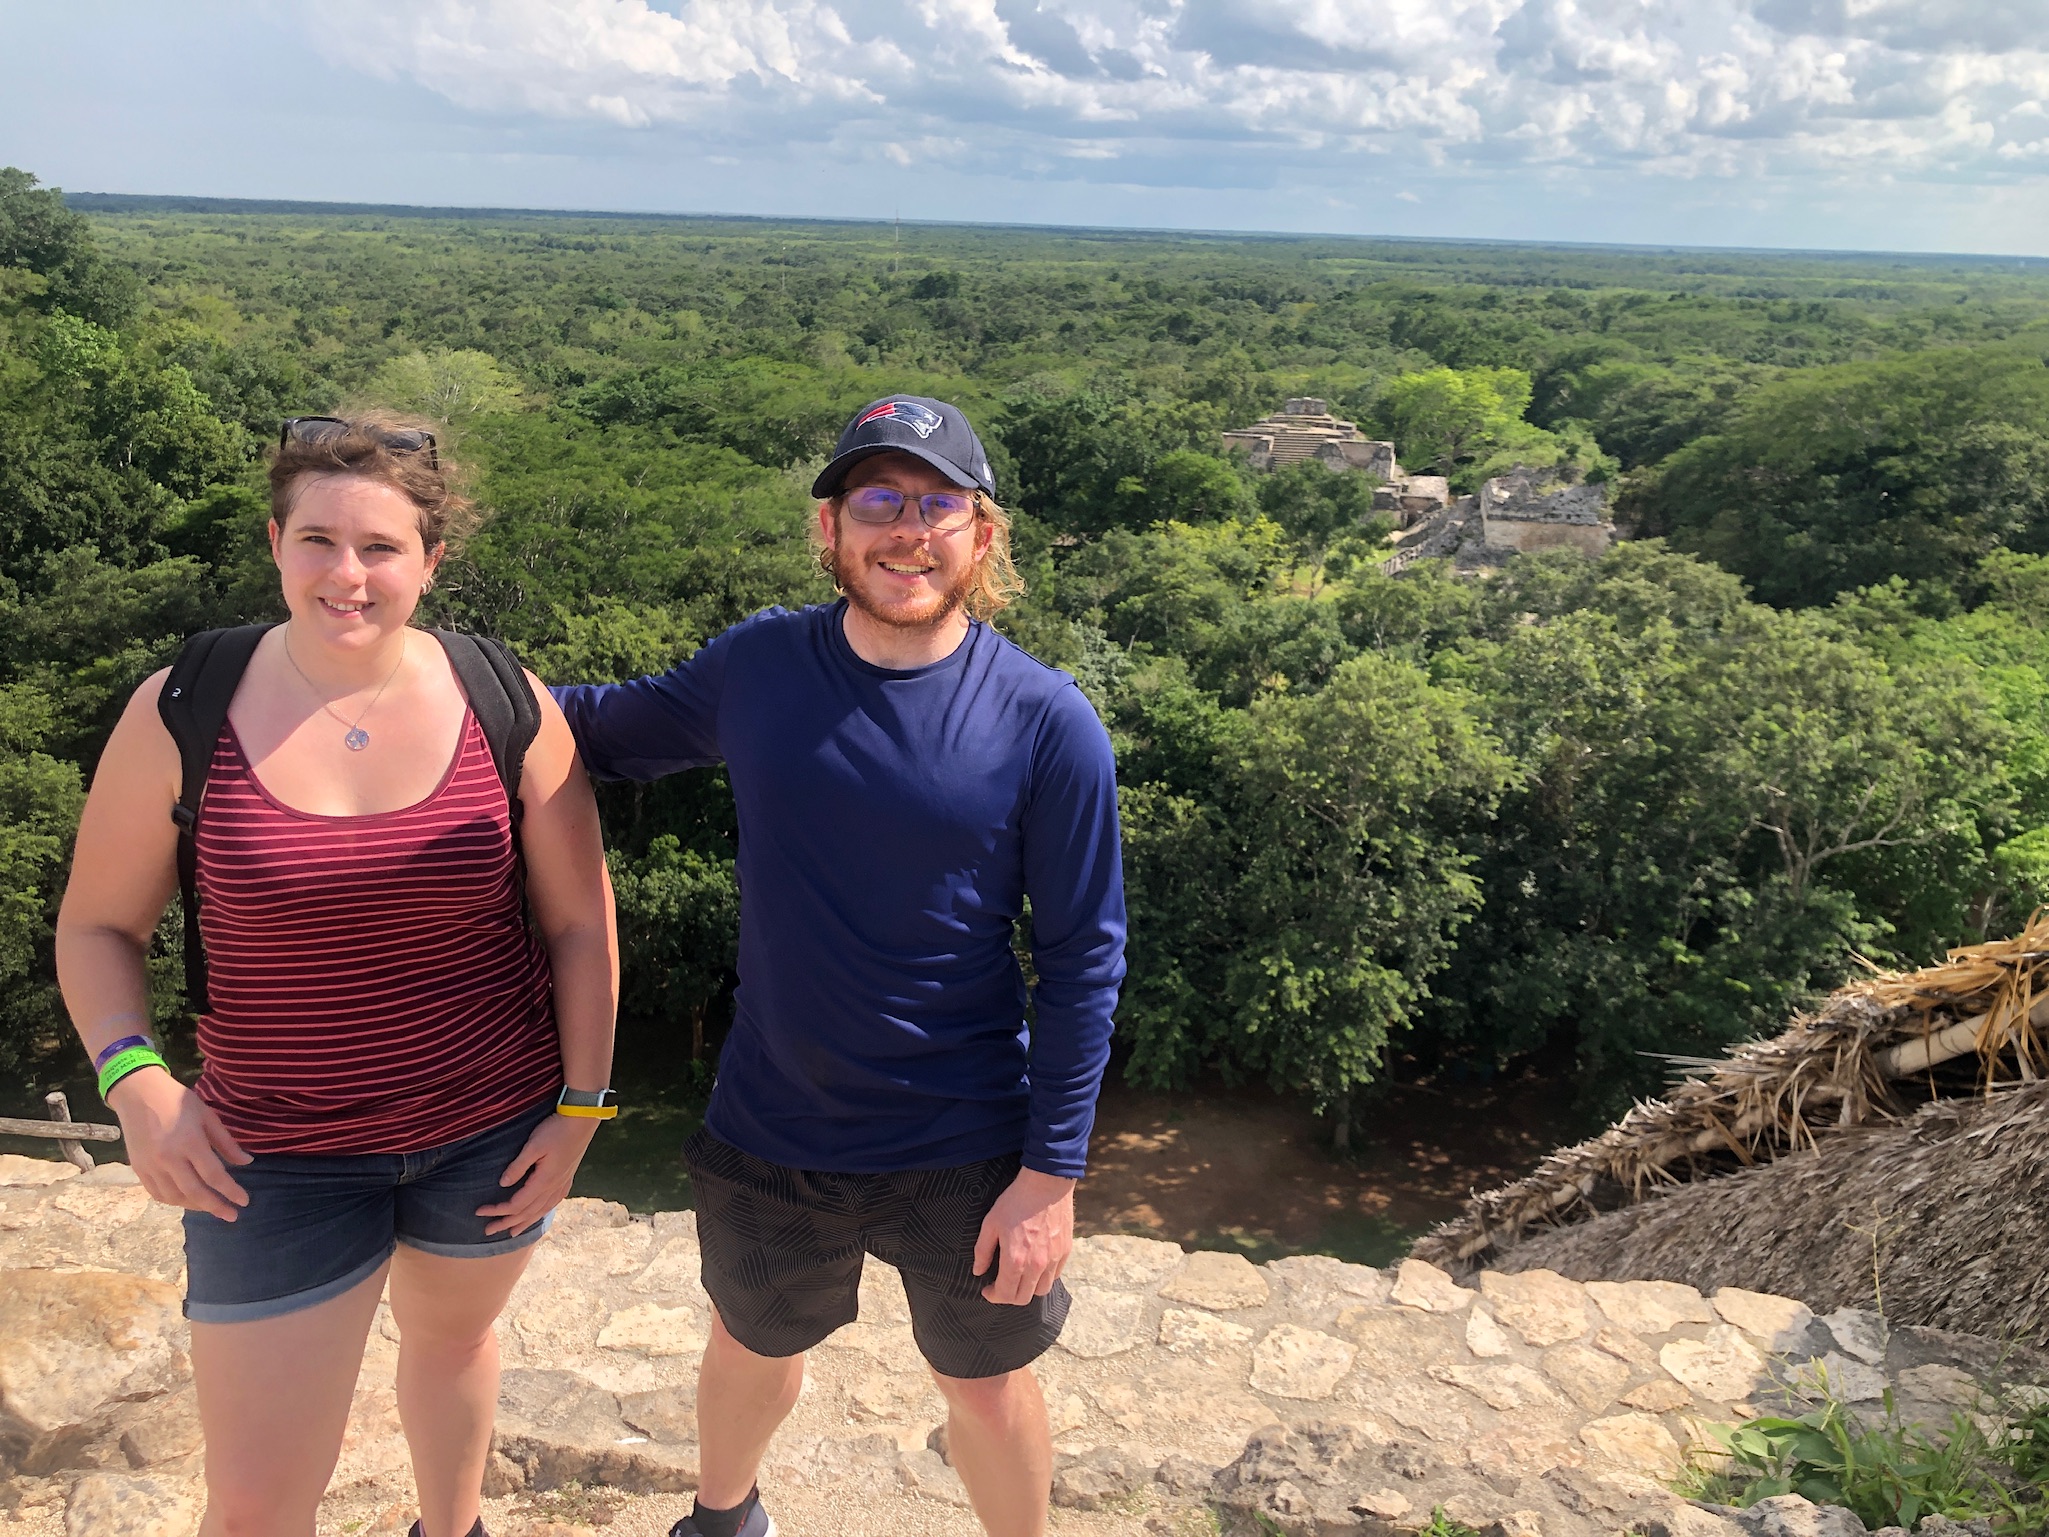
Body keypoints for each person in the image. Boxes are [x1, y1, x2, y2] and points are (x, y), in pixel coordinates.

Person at [554, 395, 1126, 1537]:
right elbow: (595, 730)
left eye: (937, 504)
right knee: (750, 1341)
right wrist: (425, 680)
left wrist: (1050, 1177)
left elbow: (1082, 960)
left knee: (984, 1383)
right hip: (774, 1122)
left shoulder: (1045, 720)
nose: (907, 529)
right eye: (877, 500)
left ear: (981, 534)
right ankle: (723, 1519)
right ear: (831, 528)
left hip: (964, 1140)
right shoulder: (761, 666)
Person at [56, 414, 620, 1537]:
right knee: (257, 1503)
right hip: (271, 1154)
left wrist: (582, 1108)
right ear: (275, 543)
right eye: (317, 539)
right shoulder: (184, 707)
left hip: (488, 1130)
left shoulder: (502, 698)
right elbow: (97, 925)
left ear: (431, 561)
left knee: (453, 1339)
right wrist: (136, 1080)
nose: (346, 574)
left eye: (381, 547)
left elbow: (580, 926)